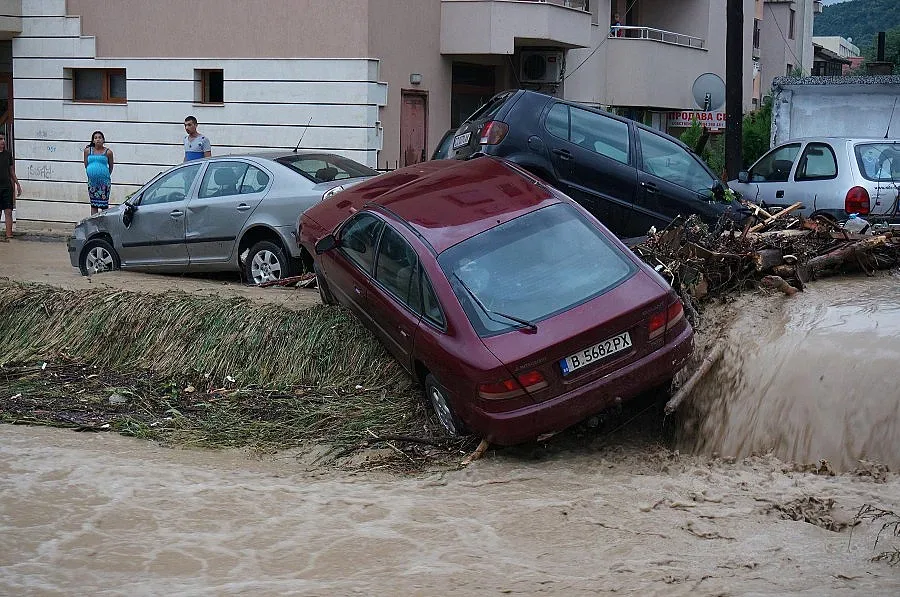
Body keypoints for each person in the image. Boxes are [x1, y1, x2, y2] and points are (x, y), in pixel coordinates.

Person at [83, 130, 114, 215]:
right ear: (93, 140)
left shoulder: (108, 152)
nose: (98, 139)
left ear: (103, 140)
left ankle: (103, 226)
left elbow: (111, 166)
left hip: (104, 183)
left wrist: (104, 176)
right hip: (92, 183)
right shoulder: (87, 151)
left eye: (100, 138)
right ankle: (94, 226)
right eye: (95, 138)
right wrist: (92, 173)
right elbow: (86, 165)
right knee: (94, 205)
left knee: (104, 206)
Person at [0, 132, 22, 242]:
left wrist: (17, 184)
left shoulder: (8, 154)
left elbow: (11, 171)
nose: (3, 141)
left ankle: (9, 235)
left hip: (7, 187)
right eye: (0, 139)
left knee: (8, 211)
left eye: (3, 139)